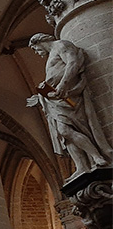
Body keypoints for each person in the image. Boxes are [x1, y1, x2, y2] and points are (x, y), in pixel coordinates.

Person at [27, 33, 112, 176]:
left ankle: (97, 156)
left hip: (69, 96)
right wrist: (41, 96)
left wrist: (63, 84)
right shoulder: (51, 54)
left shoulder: (61, 45)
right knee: (64, 134)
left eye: (35, 49)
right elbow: (55, 76)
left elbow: (73, 62)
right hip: (56, 99)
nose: (37, 53)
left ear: (39, 41)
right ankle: (82, 166)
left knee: (67, 130)